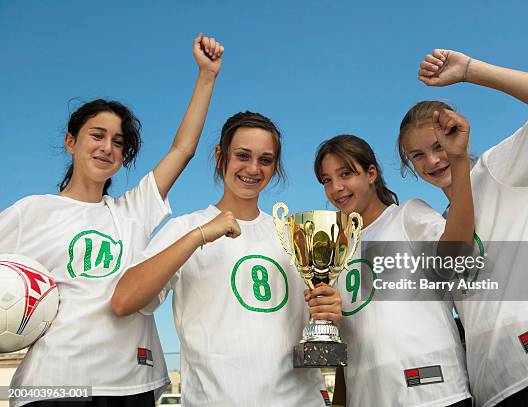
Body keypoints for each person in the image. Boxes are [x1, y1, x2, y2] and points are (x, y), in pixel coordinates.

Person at [0, 33, 224, 406]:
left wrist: (206, 76)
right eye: (97, 136)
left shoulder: (133, 209)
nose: (107, 147)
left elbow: (182, 150)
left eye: (118, 142)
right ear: (71, 142)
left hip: (131, 385)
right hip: (55, 384)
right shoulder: (31, 211)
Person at [397, 49, 528, 406]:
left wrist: (471, 71)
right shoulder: (442, 226)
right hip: (490, 386)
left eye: (438, 144)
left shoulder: (499, 169)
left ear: (456, 133)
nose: (432, 160)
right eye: (417, 155)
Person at [112, 111, 340, 407]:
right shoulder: (186, 228)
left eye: (266, 160)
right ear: (221, 156)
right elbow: (124, 300)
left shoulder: (293, 235)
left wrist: (328, 309)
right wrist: (199, 236)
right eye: (243, 156)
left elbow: (316, 326)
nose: (253, 169)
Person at [312, 132, 474, 406]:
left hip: (435, 394)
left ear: (371, 173)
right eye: (327, 180)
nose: (336, 187)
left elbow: (458, 253)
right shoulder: (333, 255)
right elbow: (335, 348)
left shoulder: (408, 216)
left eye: (346, 174)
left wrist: (459, 165)